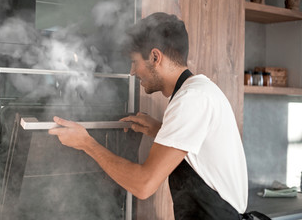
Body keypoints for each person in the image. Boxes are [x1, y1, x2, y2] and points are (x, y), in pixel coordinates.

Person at [49, 12, 249, 219]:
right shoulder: (198, 90)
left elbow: (143, 185)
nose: (133, 72)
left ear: (155, 57)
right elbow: (199, 157)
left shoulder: (192, 99)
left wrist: (86, 144)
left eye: (135, 62)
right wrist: (159, 130)